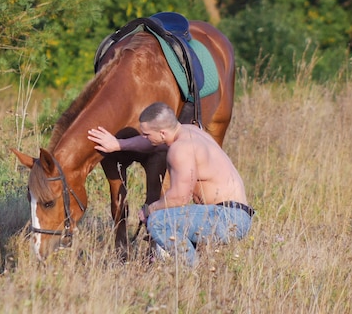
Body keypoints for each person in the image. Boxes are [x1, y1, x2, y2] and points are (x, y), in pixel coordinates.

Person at [87, 102, 253, 266]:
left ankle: (192, 271)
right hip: (235, 214)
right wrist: (118, 144)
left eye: (146, 134)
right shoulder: (190, 131)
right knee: (168, 219)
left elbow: (180, 198)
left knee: (157, 221)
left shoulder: (180, 149)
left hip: (227, 219)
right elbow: (151, 144)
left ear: (162, 133)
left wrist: (149, 210)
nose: (144, 138)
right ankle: (184, 263)